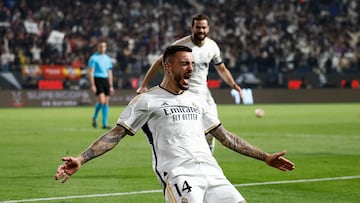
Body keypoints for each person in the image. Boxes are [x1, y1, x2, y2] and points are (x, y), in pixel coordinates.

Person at [55, 45, 295, 203]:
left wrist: (265, 157)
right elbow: (115, 134)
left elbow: (224, 136)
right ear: (168, 66)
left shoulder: (197, 100)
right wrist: (81, 158)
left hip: (213, 173)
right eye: (185, 64)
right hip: (180, 175)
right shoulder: (146, 100)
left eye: (193, 64)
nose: (191, 68)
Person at [136, 13, 242, 153]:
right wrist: (144, 85)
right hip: (185, 95)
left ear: (208, 28)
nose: (201, 30)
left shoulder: (212, 46)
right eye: (198, 27)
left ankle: (206, 162)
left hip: (205, 95)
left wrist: (233, 84)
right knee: (185, 132)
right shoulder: (180, 46)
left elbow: (221, 68)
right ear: (192, 28)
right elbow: (158, 62)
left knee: (212, 133)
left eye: (204, 27)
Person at [88, 40, 114, 129]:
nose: (102, 48)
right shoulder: (93, 58)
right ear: (97, 47)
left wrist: (111, 85)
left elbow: (110, 72)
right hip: (97, 79)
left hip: (105, 80)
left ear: (106, 48)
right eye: (100, 46)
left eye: (104, 46)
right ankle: (104, 123)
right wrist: (92, 85)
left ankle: (97, 119)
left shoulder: (107, 58)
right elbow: (91, 72)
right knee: (102, 101)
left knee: (106, 102)